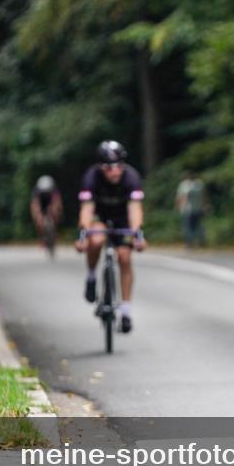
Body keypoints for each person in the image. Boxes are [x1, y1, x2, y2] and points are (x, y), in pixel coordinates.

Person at [74, 141, 147, 333]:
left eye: (118, 166)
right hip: (100, 216)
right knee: (96, 240)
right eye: (108, 167)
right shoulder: (91, 177)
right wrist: (83, 234)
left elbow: (135, 209)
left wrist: (138, 233)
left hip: (122, 218)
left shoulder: (131, 177)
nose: (114, 172)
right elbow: (87, 210)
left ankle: (126, 311)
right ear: (100, 167)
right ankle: (91, 276)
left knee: (124, 257)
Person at [30, 175, 63, 255]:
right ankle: (42, 238)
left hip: (50, 204)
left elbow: (57, 202)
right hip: (41, 205)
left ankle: (54, 235)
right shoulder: (36, 191)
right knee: (39, 221)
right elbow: (34, 204)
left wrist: (56, 212)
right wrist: (37, 215)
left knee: (56, 215)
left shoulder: (54, 190)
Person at [175, 171, 207, 248]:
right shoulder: (199, 184)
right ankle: (200, 242)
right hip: (198, 208)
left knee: (188, 227)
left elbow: (182, 197)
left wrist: (178, 206)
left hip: (187, 209)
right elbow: (204, 195)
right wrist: (204, 205)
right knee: (198, 226)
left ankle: (189, 243)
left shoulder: (184, 185)